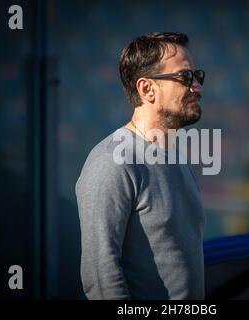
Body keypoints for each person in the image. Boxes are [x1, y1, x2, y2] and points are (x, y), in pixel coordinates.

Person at [75, 32, 206, 300]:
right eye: (185, 77)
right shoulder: (112, 161)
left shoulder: (175, 157)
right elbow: (100, 277)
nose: (197, 87)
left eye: (197, 76)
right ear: (147, 89)